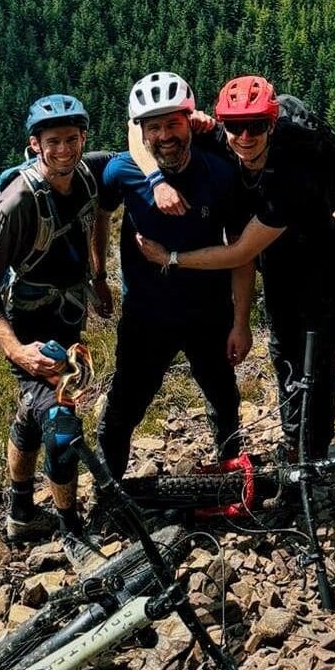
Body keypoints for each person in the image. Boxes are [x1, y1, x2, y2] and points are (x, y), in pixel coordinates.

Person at [136, 76, 335, 461]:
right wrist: (155, 180)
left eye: (256, 126)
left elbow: (238, 253)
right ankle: (294, 442)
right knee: (284, 348)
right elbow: (137, 129)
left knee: (315, 356)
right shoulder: (219, 136)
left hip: (320, 258)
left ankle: (312, 452)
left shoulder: (292, 177)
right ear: (223, 123)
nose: (245, 136)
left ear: (271, 123)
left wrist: (171, 258)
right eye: (235, 126)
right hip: (279, 258)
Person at [0, 93, 113, 568]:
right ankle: (72, 531)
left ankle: (20, 512)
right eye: (54, 142)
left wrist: (98, 275)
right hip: (29, 331)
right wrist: (18, 352)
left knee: (35, 413)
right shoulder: (17, 205)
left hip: (69, 315)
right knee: (62, 422)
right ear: (35, 145)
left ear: (83, 138)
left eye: (72, 139)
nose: (65, 150)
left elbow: (106, 203)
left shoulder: (90, 172)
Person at [94, 71, 255, 479]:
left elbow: (241, 253)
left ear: (191, 121)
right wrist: (97, 274)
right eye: (154, 127)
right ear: (141, 133)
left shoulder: (220, 173)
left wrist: (241, 322)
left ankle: (231, 476)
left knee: (223, 398)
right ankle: (110, 493)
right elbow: (101, 213)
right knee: (124, 405)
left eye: (173, 123)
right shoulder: (123, 171)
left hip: (209, 311)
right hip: (146, 315)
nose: (165, 135)